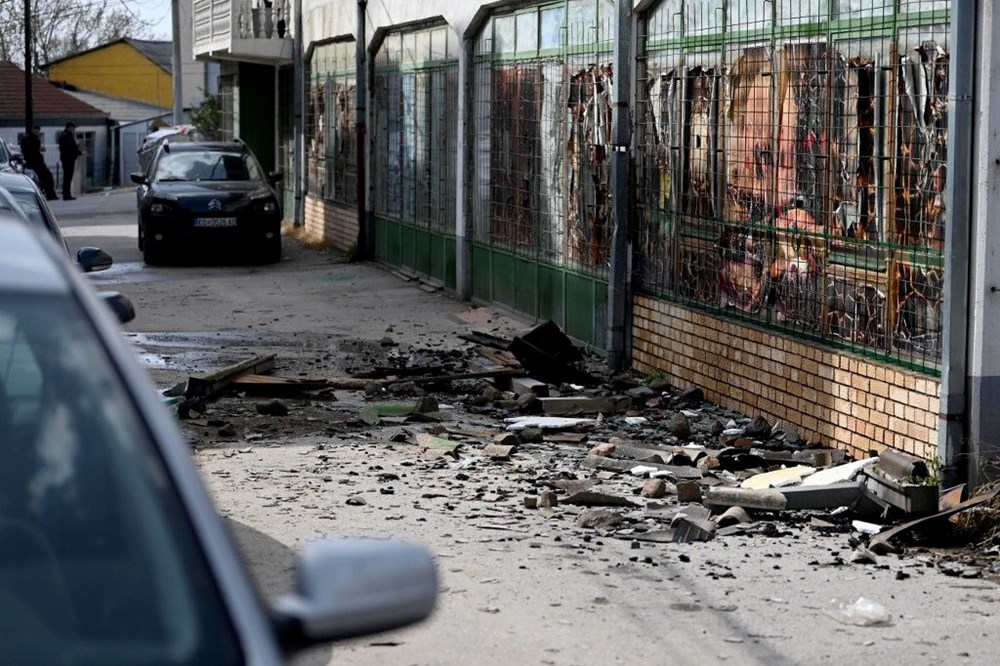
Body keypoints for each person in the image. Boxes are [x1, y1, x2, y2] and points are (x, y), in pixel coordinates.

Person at [19, 126, 58, 200]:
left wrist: (39, 150)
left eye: (38, 130)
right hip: (34, 163)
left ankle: (50, 195)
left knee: (47, 177)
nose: (37, 131)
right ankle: (49, 195)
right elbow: (29, 151)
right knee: (45, 178)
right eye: (36, 130)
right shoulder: (28, 139)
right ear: (32, 130)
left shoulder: (34, 139)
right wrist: (38, 150)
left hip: (38, 162)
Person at [57, 122, 82, 201]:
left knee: (67, 177)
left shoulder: (65, 136)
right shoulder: (66, 136)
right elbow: (70, 148)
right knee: (68, 177)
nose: (74, 130)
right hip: (68, 159)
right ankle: (66, 194)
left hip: (67, 158)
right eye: (73, 128)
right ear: (69, 127)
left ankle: (66, 194)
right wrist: (78, 152)